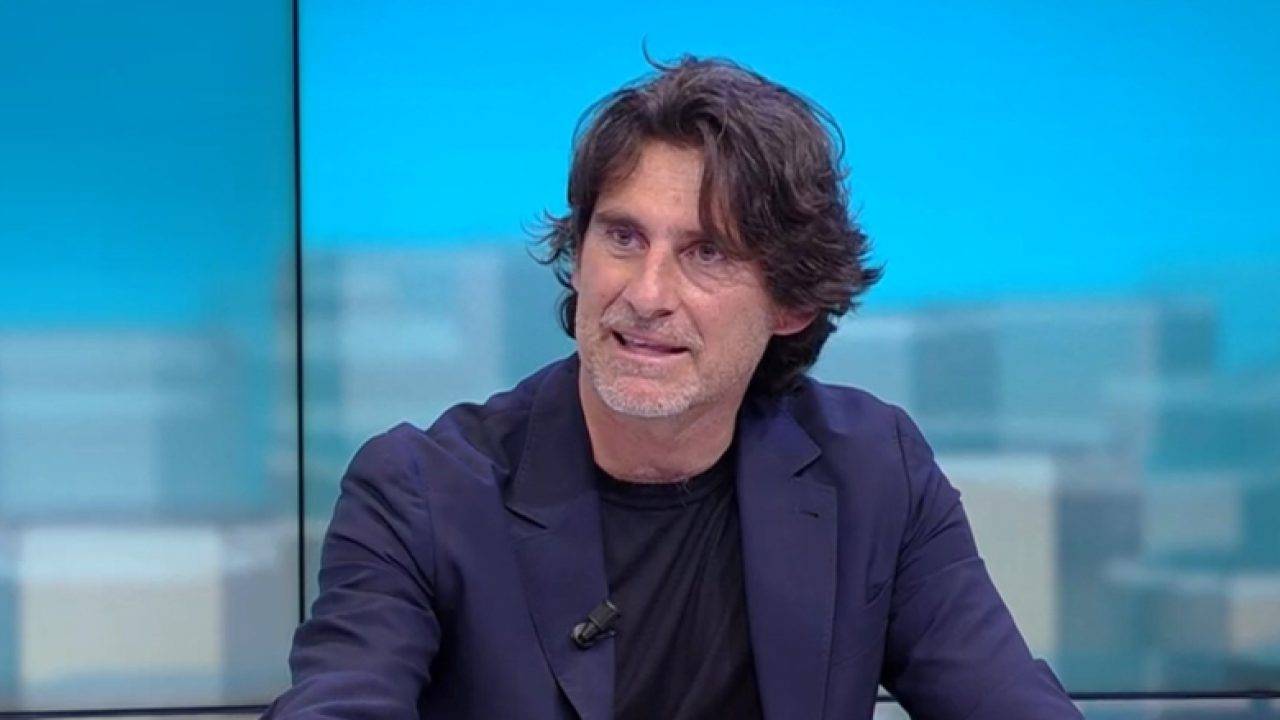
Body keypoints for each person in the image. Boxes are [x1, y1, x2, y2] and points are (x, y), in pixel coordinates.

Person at [264, 55, 1083, 719]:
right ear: (578, 257)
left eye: (707, 253)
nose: (648, 293)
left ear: (792, 304)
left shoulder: (873, 471)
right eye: (623, 238)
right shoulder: (421, 493)